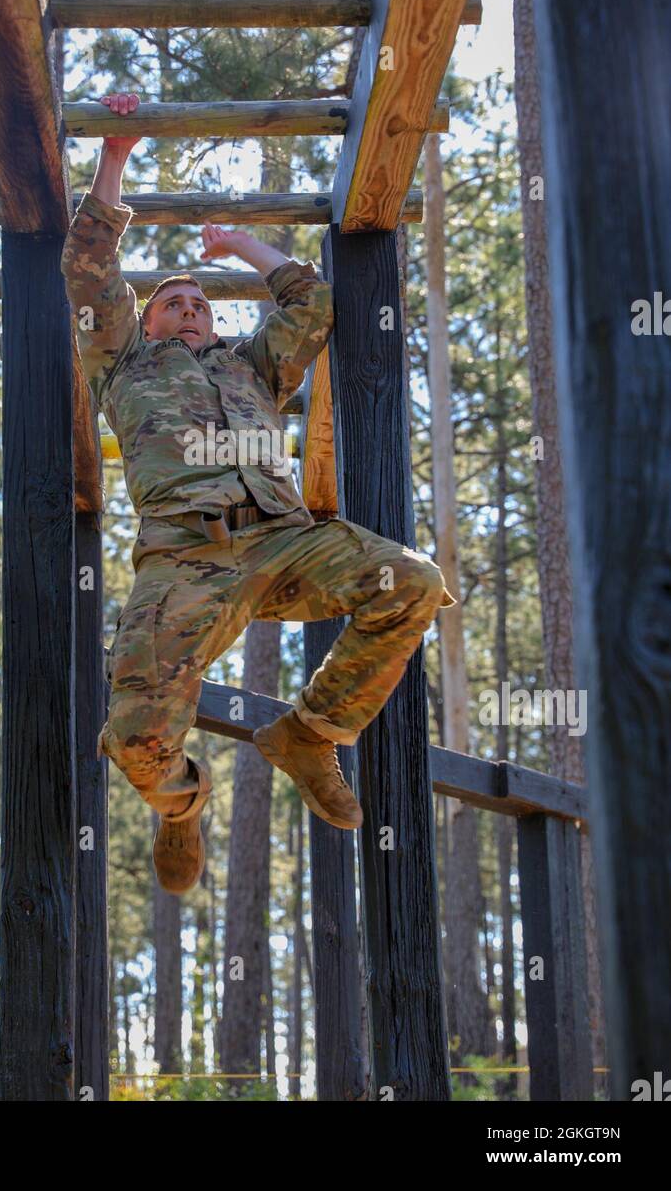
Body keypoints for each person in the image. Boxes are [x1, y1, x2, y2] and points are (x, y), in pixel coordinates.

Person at [61, 90, 456, 894]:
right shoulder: (125, 364)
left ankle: (311, 734)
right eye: (173, 302)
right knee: (136, 736)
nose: (190, 308)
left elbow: (311, 307)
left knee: (412, 582)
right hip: (184, 559)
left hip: (283, 542)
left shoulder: (250, 368)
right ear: (151, 321)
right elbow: (89, 271)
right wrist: (116, 156)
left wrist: (240, 243)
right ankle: (180, 806)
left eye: (200, 303)